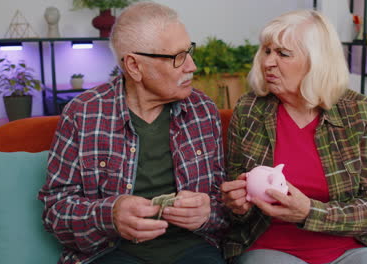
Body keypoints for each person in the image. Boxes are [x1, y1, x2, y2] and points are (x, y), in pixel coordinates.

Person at [38, 2, 228, 264]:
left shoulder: (202, 110)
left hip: (193, 248)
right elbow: (55, 211)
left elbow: (225, 202)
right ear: (134, 66)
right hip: (110, 251)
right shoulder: (82, 114)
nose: (192, 66)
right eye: (177, 57)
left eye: (189, 51)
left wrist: (208, 212)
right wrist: (110, 215)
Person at [220, 9, 367, 264]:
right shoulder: (249, 110)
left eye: (282, 53)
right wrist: (236, 204)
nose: (268, 62)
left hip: (350, 248)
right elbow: (235, 208)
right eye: (267, 51)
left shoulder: (358, 112)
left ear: (317, 62)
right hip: (270, 246)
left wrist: (309, 212)